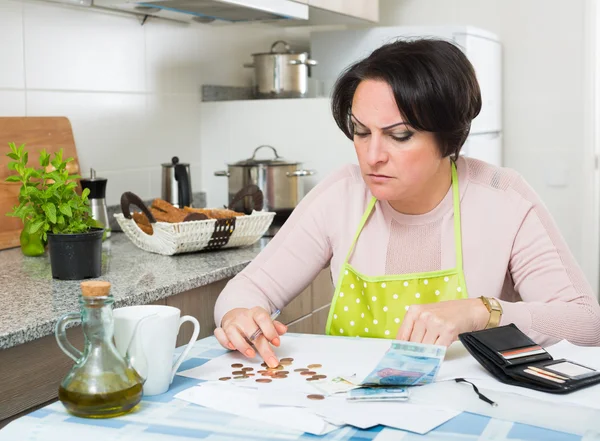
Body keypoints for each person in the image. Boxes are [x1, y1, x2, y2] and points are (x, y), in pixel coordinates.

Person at [213, 38, 600, 368]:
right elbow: (248, 288)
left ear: (449, 139)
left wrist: (483, 311)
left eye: (399, 135)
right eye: (361, 132)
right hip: (353, 406)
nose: (372, 155)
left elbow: (586, 323)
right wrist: (239, 315)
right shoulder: (342, 195)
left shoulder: (503, 198)